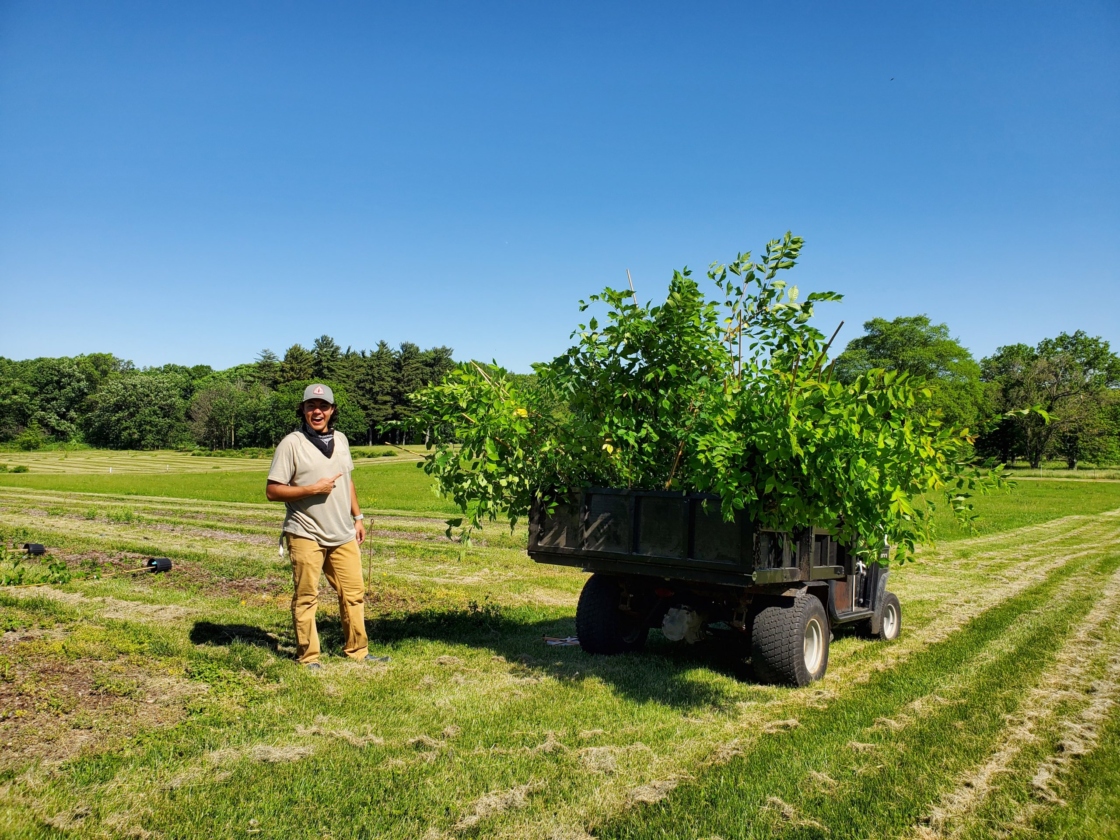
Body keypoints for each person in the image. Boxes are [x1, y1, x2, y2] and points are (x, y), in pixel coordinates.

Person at [266, 383, 389, 669]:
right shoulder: (291, 444)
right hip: (305, 531)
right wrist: (312, 489)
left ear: (332, 411)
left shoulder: (342, 440)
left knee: (354, 594)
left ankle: (358, 651)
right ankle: (309, 657)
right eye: (311, 406)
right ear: (303, 410)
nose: (317, 411)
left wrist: (357, 517)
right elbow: (273, 491)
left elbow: (347, 480)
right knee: (307, 596)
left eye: (323, 407)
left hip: (342, 532)